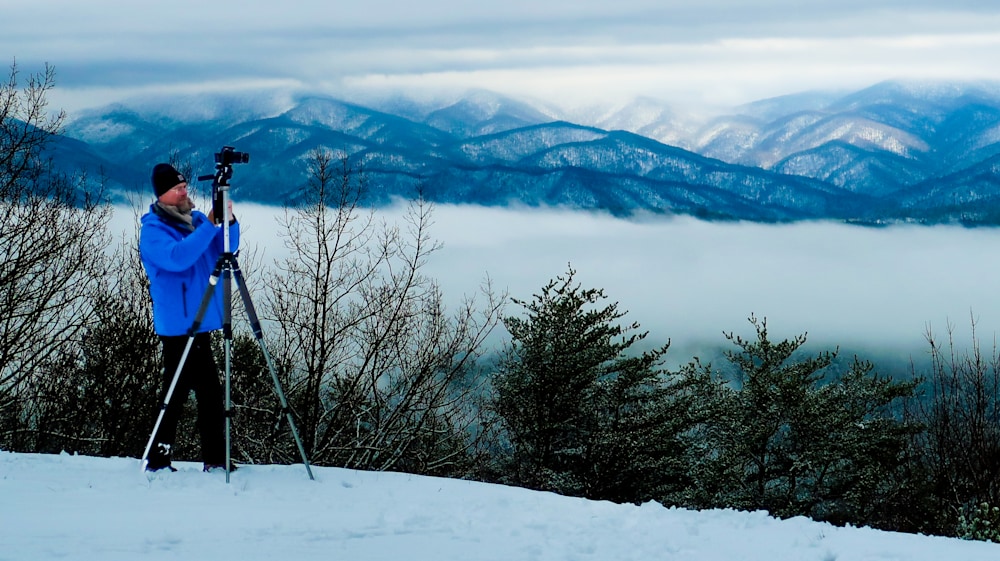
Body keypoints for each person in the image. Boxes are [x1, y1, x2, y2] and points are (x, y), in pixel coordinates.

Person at [139, 162, 239, 473]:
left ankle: (209, 456)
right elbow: (177, 258)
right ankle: (163, 457)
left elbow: (229, 249)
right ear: (163, 195)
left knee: (203, 391)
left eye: (184, 187)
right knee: (177, 391)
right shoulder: (154, 230)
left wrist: (229, 221)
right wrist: (210, 225)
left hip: (201, 320)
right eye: (178, 188)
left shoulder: (195, 221)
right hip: (179, 325)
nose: (184, 192)